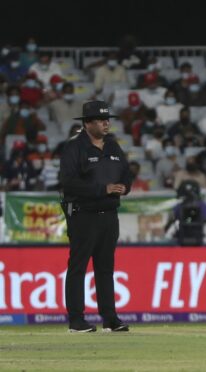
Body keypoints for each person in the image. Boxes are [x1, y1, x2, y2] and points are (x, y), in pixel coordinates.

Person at [59, 100, 131, 333]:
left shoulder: (113, 146)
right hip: (83, 214)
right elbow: (68, 183)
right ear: (87, 123)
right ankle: (76, 320)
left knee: (105, 268)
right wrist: (103, 190)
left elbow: (127, 174)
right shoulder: (73, 147)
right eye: (101, 120)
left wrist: (124, 187)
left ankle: (110, 318)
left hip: (109, 215)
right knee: (78, 266)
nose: (106, 123)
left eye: (107, 119)